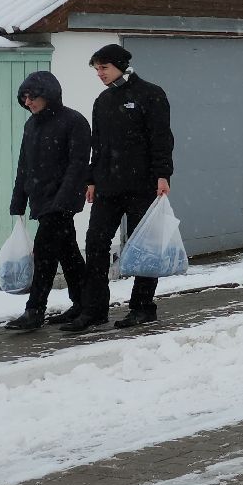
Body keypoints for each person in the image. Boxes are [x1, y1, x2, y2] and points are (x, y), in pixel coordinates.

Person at [70, 43, 174, 333]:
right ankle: (94, 309)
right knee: (96, 244)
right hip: (107, 187)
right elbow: (98, 145)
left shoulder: (150, 94)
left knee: (144, 248)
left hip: (143, 186)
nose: (99, 74)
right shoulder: (103, 101)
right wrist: (91, 179)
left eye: (104, 67)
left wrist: (162, 175)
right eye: (96, 69)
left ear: (121, 65)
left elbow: (161, 139)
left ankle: (142, 307)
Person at [4, 71, 91, 332]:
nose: (28, 103)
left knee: (43, 253)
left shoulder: (74, 121)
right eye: (24, 98)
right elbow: (24, 165)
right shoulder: (31, 125)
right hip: (41, 201)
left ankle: (35, 310)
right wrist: (18, 199)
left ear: (48, 95)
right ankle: (85, 303)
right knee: (69, 253)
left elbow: (77, 165)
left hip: (61, 202)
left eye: (32, 97)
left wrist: (62, 200)